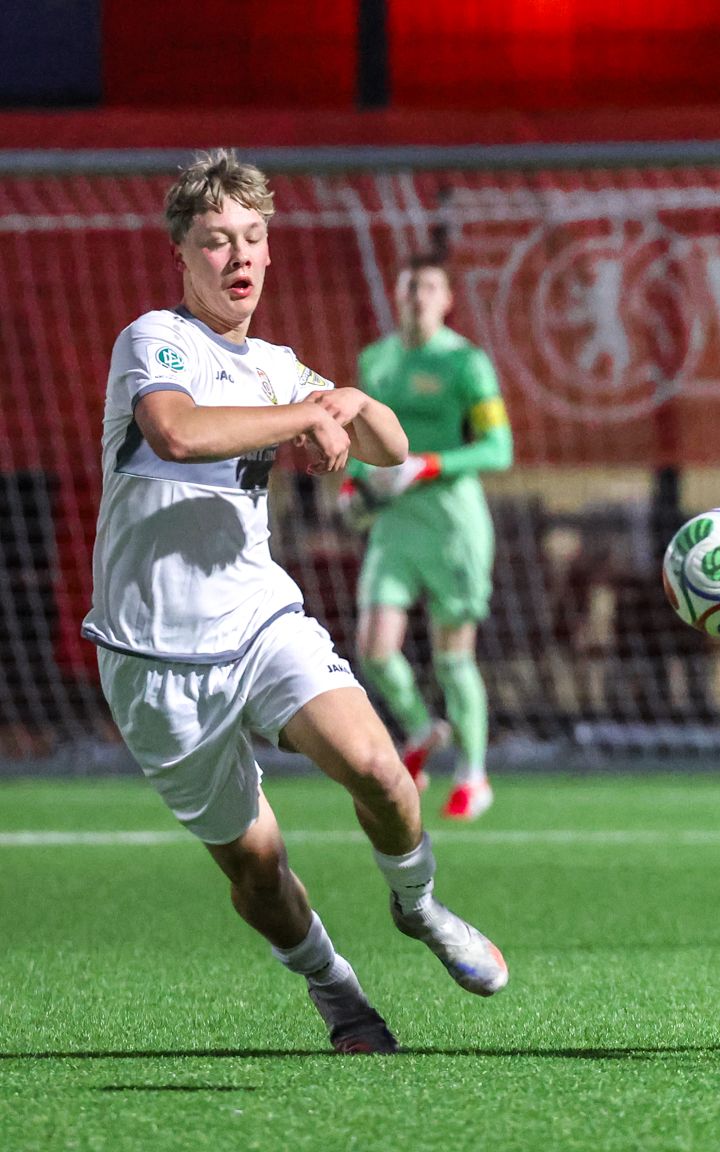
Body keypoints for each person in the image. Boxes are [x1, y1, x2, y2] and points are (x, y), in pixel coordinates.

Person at [83, 150, 508, 1055]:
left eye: (252, 237)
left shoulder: (277, 364)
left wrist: (350, 401)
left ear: (268, 252)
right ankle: (334, 987)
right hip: (152, 658)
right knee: (259, 871)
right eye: (215, 241)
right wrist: (304, 418)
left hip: (259, 621)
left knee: (383, 773)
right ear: (183, 256)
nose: (237, 255)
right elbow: (180, 430)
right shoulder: (153, 339)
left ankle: (420, 905)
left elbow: (388, 447)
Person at [338, 252, 513, 820]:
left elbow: (498, 449)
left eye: (430, 288)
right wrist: (354, 486)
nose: (418, 298)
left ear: (447, 299)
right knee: (374, 648)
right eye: (410, 287)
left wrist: (427, 464)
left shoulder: (467, 363)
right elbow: (365, 445)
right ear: (396, 294)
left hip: (452, 525)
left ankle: (473, 775)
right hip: (394, 525)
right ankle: (419, 729)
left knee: (453, 658)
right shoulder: (377, 360)